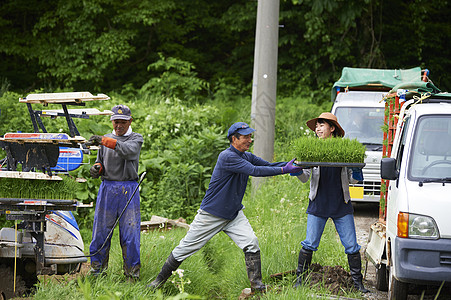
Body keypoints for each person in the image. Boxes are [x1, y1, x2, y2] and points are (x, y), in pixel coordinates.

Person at [148, 122, 302, 292]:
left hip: (233, 214)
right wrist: (283, 170)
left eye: (250, 136)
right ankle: (158, 282)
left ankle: (257, 286)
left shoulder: (246, 156)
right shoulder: (227, 157)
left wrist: (290, 165)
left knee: (251, 242)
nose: (250, 140)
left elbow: (265, 165)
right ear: (234, 139)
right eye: (246, 137)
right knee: (185, 248)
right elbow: (255, 171)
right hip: (212, 214)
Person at [291, 112, 369, 293]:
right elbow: (306, 178)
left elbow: (352, 181)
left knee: (351, 245)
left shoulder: (343, 149)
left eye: (321, 125)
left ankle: (358, 284)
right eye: (316, 126)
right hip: (318, 204)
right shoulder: (311, 149)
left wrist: (357, 172)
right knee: (310, 243)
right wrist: (296, 171)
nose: (317, 129)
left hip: (341, 205)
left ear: (332, 128)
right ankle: (300, 280)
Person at [87, 104, 144, 281]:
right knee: (100, 234)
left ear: (130, 121)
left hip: (129, 188)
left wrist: (103, 141)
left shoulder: (136, 138)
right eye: (115, 122)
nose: (118, 126)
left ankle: (132, 276)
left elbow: (128, 152)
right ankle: (97, 274)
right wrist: (97, 168)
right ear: (112, 121)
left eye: (122, 122)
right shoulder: (106, 140)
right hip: (107, 189)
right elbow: (100, 162)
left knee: (130, 235)